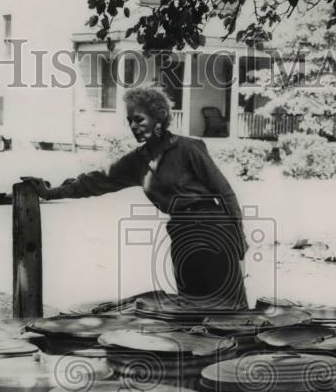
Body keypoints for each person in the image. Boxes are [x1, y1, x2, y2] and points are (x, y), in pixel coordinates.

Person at [23, 86, 248, 311]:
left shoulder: (188, 148)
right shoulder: (137, 161)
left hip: (214, 230)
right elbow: (96, 181)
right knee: (191, 312)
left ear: (158, 118)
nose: (133, 126)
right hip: (181, 235)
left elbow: (224, 191)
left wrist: (238, 237)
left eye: (139, 119)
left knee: (230, 311)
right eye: (130, 120)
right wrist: (50, 192)